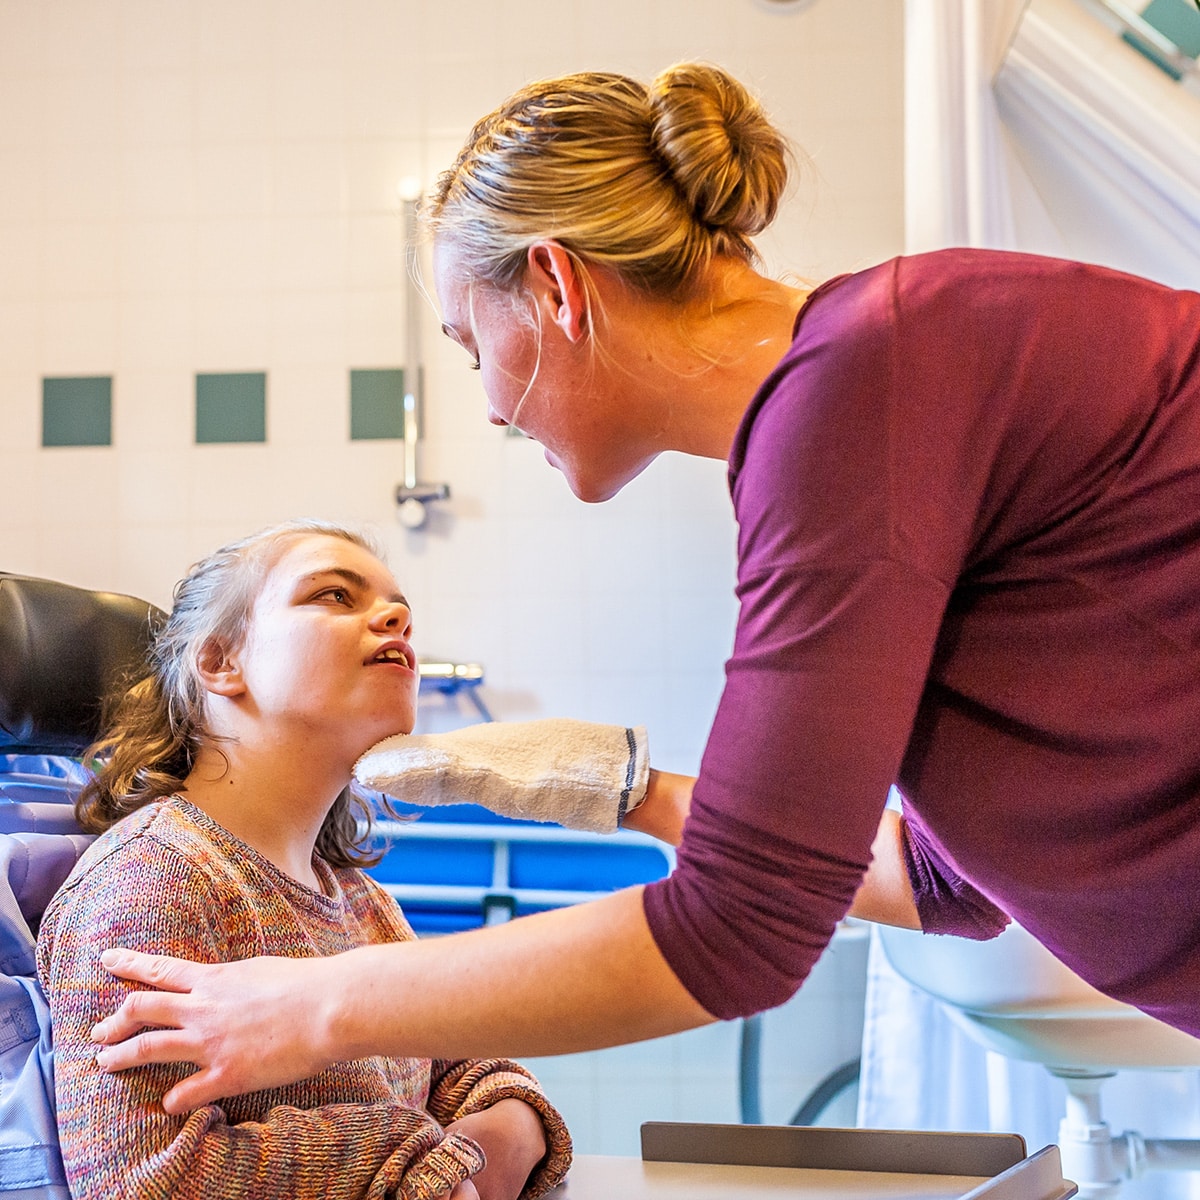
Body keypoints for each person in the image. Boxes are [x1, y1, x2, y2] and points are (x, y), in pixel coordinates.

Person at [89, 62, 1200, 1112]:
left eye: (473, 346)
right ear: (214, 667)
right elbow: (947, 880)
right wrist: (625, 790)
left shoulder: (865, 391)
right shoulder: (865, 387)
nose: (485, 406)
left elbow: (743, 929)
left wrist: (309, 1008)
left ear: (557, 285)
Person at [36, 519, 571, 1200]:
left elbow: (463, 1069)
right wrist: (416, 1160)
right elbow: (147, 1184)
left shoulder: (357, 899)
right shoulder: (152, 881)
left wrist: (505, 1128)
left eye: (397, 605)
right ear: (221, 662)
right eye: (333, 596)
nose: (398, 617)